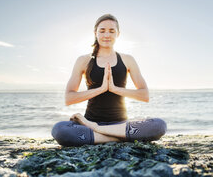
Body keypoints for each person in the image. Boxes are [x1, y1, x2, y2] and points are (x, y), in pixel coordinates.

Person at [51, 14, 166, 146]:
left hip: (118, 124)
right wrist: (101, 89)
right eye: (102, 30)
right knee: (59, 130)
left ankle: (98, 131)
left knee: (159, 125)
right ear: (95, 33)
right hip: (93, 121)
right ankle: (119, 137)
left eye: (112, 31)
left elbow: (144, 95)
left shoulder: (127, 59)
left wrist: (114, 89)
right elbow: (69, 98)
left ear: (118, 34)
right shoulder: (83, 60)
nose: (107, 35)